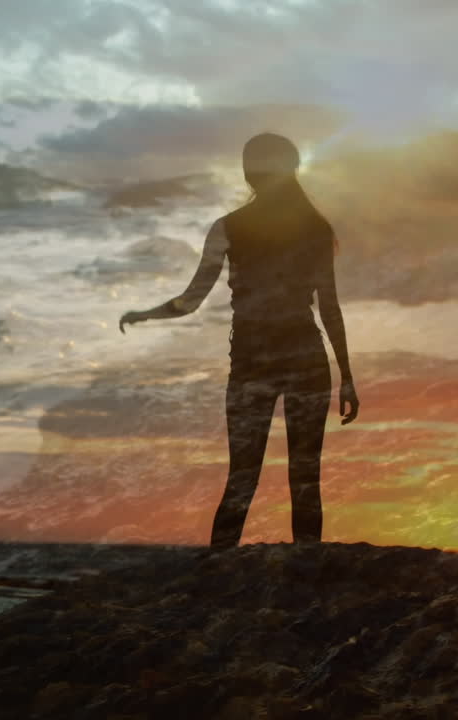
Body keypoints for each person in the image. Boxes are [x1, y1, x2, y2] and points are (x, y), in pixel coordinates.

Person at [119, 133, 358, 549]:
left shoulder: (228, 227)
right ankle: (304, 578)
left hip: (252, 363)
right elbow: (329, 307)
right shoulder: (316, 229)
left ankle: (216, 576)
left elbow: (190, 301)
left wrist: (145, 314)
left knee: (242, 478)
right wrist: (348, 376)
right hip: (307, 360)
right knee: (305, 479)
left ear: (249, 172)